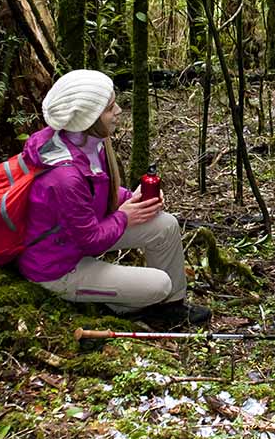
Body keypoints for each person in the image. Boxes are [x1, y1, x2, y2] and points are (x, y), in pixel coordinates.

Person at [16, 69, 210, 329]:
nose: (118, 110)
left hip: (76, 242)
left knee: (165, 225)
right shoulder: (64, 176)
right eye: (109, 108)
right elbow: (91, 240)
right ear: (88, 119)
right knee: (159, 285)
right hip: (58, 268)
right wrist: (125, 216)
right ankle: (122, 304)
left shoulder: (87, 142)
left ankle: (171, 309)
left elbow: (94, 192)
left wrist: (132, 198)